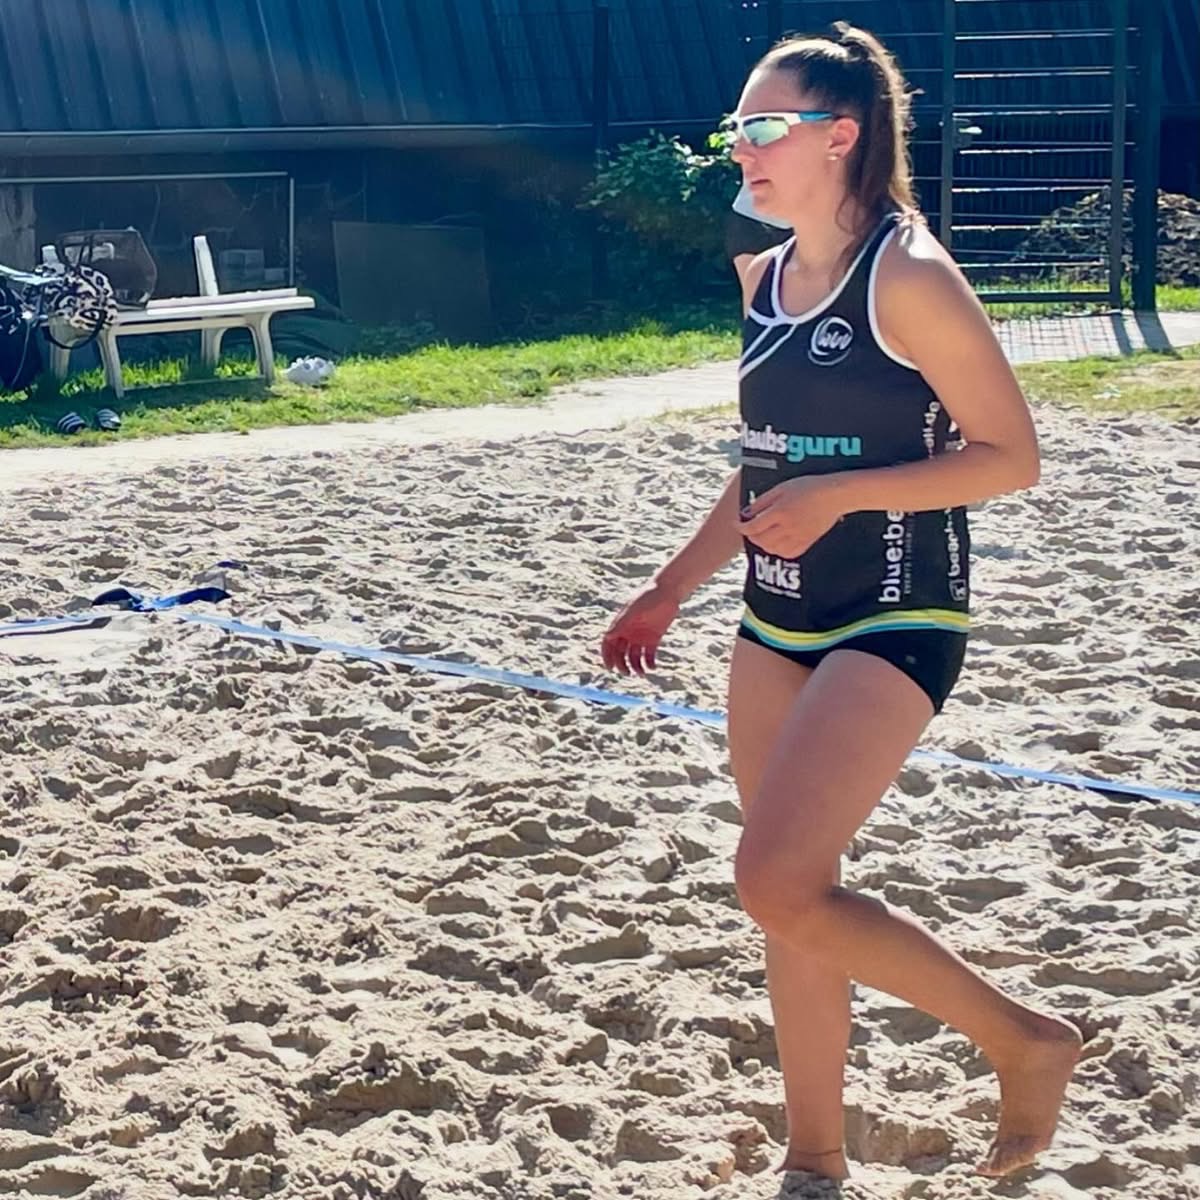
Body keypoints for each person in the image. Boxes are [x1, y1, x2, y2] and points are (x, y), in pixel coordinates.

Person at [600, 21, 1081, 1184]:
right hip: (776, 612)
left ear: (842, 135)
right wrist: (671, 586)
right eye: (738, 128)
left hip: (896, 608)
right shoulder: (762, 273)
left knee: (770, 878)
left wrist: (844, 494)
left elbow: (1010, 456)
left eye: (764, 127)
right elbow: (767, 464)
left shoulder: (909, 274)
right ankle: (815, 1160)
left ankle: (1025, 1042)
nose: (742, 149)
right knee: (791, 901)